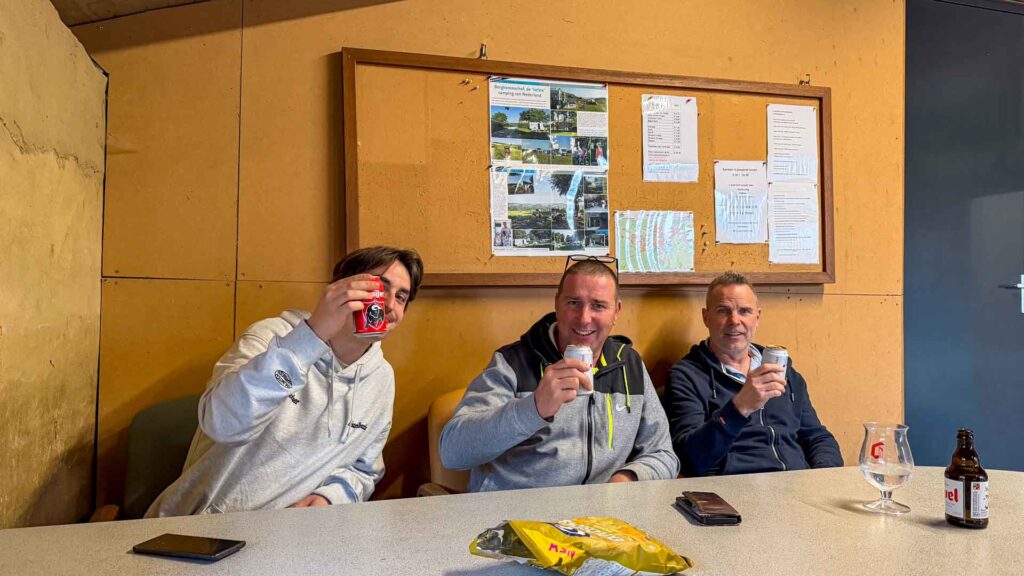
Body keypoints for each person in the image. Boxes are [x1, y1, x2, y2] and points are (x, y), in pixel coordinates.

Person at [147, 246, 424, 516]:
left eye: (401, 297)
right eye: (379, 288)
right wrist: (311, 337)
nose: (389, 304)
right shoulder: (270, 337)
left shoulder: (381, 378)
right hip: (201, 527)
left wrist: (332, 496)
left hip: (292, 535)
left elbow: (364, 468)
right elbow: (222, 424)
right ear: (341, 288)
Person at [439, 256, 679, 492]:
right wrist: (533, 408)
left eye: (598, 305)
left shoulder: (629, 365)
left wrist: (627, 479)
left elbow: (663, 454)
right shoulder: (512, 363)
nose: (584, 318)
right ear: (557, 304)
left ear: (616, 311)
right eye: (573, 303)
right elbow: (452, 452)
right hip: (516, 512)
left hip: (601, 513)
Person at [664, 271, 843, 476]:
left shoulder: (784, 371)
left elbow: (817, 437)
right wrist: (739, 407)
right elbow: (690, 458)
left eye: (744, 311)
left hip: (794, 483)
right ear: (706, 317)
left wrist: (822, 477)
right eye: (723, 311)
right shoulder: (686, 376)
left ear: (757, 317)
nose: (734, 320)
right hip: (733, 487)